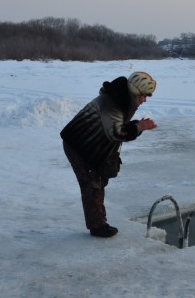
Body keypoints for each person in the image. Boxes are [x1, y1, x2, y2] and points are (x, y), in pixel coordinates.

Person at [60, 71, 157, 237]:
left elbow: (117, 128)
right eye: (143, 95)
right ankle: (97, 226)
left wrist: (136, 126)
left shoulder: (123, 99)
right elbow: (115, 133)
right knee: (92, 184)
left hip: (90, 143)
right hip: (78, 144)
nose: (144, 100)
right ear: (134, 91)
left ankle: (99, 221)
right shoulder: (113, 102)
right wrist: (138, 127)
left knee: (98, 180)